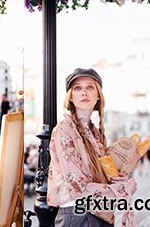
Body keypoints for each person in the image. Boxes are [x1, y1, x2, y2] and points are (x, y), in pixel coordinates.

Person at [48, 69, 136, 227]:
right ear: (71, 97)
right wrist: (123, 188)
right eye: (77, 88)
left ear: (98, 96)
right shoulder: (64, 130)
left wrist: (119, 178)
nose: (84, 92)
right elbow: (77, 184)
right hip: (77, 214)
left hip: (98, 214)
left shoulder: (96, 134)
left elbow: (101, 175)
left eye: (89, 87)